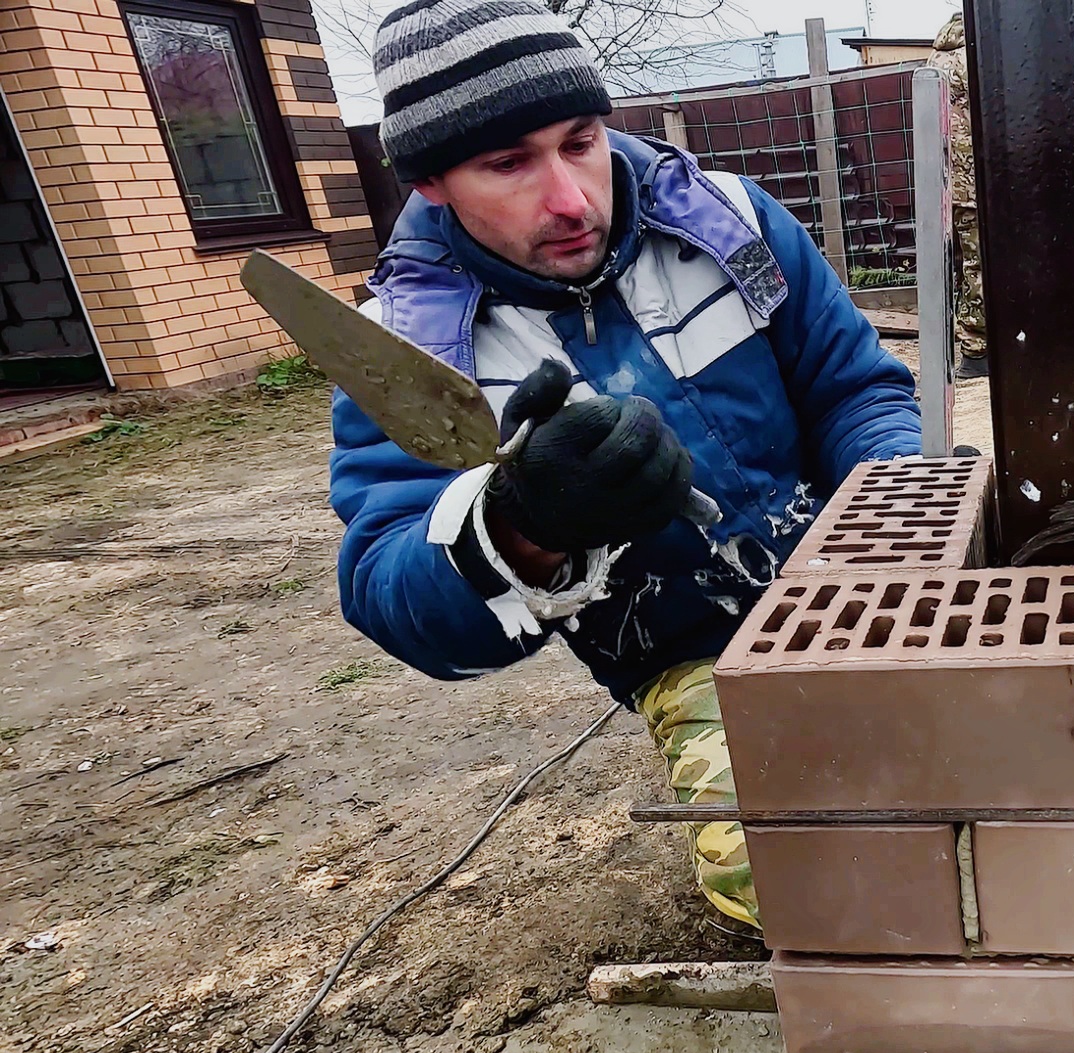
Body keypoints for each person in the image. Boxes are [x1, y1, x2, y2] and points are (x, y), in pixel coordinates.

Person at [332, 0, 921, 930]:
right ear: (432, 183)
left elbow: (858, 391)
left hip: (863, 580)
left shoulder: (729, 225)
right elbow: (390, 593)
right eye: (508, 163)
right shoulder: (406, 355)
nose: (570, 197)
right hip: (692, 656)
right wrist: (525, 522)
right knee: (810, 879)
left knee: (1036, 761)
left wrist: (899, 517)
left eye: (580, 140)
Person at [926, 14, 990, 380]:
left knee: (952, 266)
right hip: (975, 184)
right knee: (978, 266)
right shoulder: (974, 59)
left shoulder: (935, 60)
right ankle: (976, 350)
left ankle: (950, 347)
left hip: (943, 182)